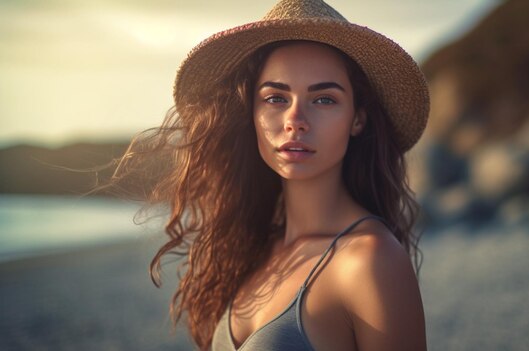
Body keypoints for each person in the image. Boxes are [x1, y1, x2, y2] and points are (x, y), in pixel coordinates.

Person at [116, 0, 429, 350]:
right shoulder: (254, 248)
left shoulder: (370, 260)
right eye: (276, 98)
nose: (295, 120)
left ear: (357, 119)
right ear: (250, 112)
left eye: (324, 99)